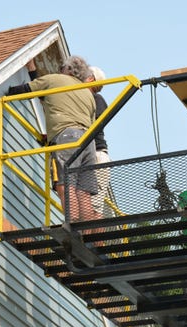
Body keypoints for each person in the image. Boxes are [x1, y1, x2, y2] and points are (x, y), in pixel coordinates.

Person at [7, 56, 99, 223]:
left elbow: (27, 90)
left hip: (67, 138)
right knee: (83, 192)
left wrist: (4, 93)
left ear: (66, 69)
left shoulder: (54, 80)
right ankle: (87, 233)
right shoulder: (88, 93)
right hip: (88, 142)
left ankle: (72, 226)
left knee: (65, 184)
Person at [85, 66, 114, 218]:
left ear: (92, 80)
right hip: (86, 155)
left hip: (96, 154)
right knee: (84, 203)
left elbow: (95, 124)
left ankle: (94, 242)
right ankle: (87, 238)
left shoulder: (97, 99)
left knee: (95, 206)